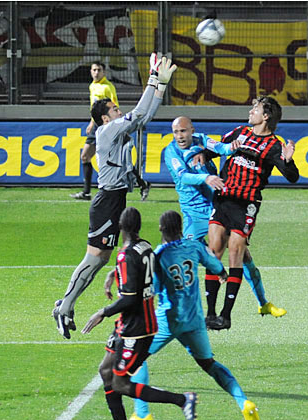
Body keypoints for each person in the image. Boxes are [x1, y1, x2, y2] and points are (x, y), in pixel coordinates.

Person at [52, 53, 177, 339]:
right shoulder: (108, 130)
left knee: (100, 260)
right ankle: (64, 306)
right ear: (105, 118)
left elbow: (144, 116)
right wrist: (154, 81)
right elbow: (138, 115)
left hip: (114, 199)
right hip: (107, 201)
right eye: (114, 108)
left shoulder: (114, 130)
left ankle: (67, 304)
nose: (119, 109)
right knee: (94, 259)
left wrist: (160, 87)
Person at [126, 210, 260, 420]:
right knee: (210, 365)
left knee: (136, 358)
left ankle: (142, 413)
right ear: (180, 228)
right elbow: (216, 267)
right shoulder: (194, 246)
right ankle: (244, 402)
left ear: (161, 229)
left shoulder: (159, 255)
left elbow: (154, 289)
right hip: (195, 320)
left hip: (168, 320)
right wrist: (222, 274)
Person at [81, 207, 197, 420]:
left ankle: (182, 400)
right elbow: (145, 274)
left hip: (137, 328)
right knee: (106, 371)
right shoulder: (144, 246)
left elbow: (131, 298)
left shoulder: (126, 255)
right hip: (130, 324)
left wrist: (102, 312)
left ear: (120, 227)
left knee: (120, 383)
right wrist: (116, 274)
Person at [164, 116, 287, 321]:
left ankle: (263, 303)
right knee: (188, 260)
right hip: (194, 214)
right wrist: (207, 177)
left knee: (244, 258)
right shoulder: (171, 152)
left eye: (183, 131)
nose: (179, 136)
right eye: (176, 132)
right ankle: (182, 307)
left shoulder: (201, 139)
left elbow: (221, 148)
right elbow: (183, 176)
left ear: (192, 130)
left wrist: (233, 146)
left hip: (216, 206)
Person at [206, 96, 300, 331]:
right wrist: (201, 156)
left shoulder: (274, 145)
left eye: (255, 109)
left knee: (235, 252)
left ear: (266, 116)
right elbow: (218, 149)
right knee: (214, 250)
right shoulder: (239, 132)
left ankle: (225, 316)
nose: (250, 112)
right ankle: (209, 313)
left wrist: (288, 161)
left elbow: (292, 176)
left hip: (246, 204)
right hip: (224, 198)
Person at [71, 61, 151, 202]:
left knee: (120, 160)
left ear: (104, 72)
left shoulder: (108, 87)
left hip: (109, 125)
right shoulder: (92, 86)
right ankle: (86, 191)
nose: (96, 72)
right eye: (94, 70)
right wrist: (92, 122)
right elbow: (94, 109)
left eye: (99, 70)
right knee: (85, 156)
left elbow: (113, 107)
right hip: (98, 124)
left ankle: (142, 183)